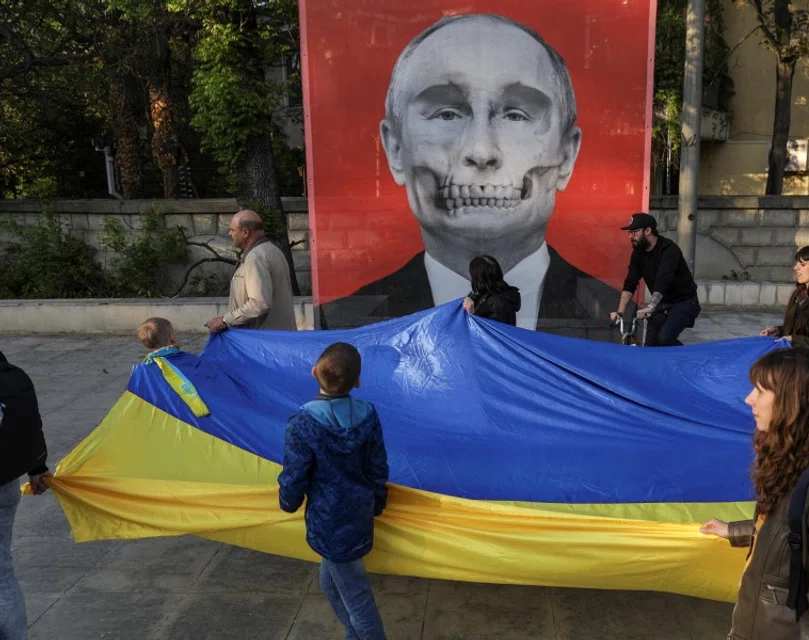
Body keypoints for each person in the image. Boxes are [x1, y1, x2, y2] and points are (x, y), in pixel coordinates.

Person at [328, 14, 619, 330]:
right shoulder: (344, 320)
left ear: (566, 153)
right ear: (396, 149)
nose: (481, 151)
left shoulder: (610, 310)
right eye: (447, 114)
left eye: (517, 115)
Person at [700, 346, 809, 639]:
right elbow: (788, 532)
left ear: (794, 402)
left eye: (760, 391)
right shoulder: (793, 461)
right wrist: (733, 530)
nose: (749, 399)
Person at [278, 342, 389, 640]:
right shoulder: (368, 415)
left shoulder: (302, 424)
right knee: (332, 582)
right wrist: (377, 502)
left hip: (329, 521)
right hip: (359, 514)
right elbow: (378, 467)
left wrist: (287, 502)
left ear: (314, 372)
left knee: (357, 598)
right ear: (357, 382)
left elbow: (295, 474)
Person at [0, 351, 52, 640]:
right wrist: (38, 467)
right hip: (5, 484)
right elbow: (31, 423)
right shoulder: (13, 376)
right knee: (2, 572)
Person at [609, 213, 700, 346]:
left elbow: (663, 280)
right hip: (662, 304)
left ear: (648, 231)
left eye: (634, 232)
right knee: (650, 346)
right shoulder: (638, 253)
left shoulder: (669, 250)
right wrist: (620, 312)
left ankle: (685, 359)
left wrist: (650, 307)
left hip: (684, 302)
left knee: (664, 338)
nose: (630, 236)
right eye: (629, 232)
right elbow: (630, 283)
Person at [205, 210, 296, 333]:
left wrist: (226, 320)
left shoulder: (256, 257)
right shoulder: (272, 250)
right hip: (277, 337)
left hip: (262, 341)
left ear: (245, 232)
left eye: (232, 230)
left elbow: (260, 303)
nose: (229, 233)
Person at [462, 255, 521, 326]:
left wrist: (471, 314)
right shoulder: (485, 296)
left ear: (478, 278)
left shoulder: (497, 302)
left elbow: (493, 334)